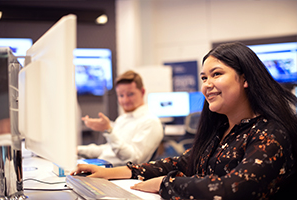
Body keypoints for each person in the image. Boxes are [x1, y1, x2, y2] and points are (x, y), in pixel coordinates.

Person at [72, 42, 297, 199]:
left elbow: (234, 190)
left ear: (245, 79)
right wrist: (112, 172)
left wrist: (164, 184)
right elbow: (179, 163)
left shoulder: (271, 133)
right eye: (204, 78)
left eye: (216, 74)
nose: (206, 84)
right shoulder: (221, 130)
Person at [77, 70, 164, 166]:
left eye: (130, 94)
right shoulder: (123, 118)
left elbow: (133, 159)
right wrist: (78, 149)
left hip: (117, 175)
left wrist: (109, 131)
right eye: (121, 95)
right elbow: (108, 150)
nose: (125, 100)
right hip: (102, 167)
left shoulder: (150, 122)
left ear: (142, 92)